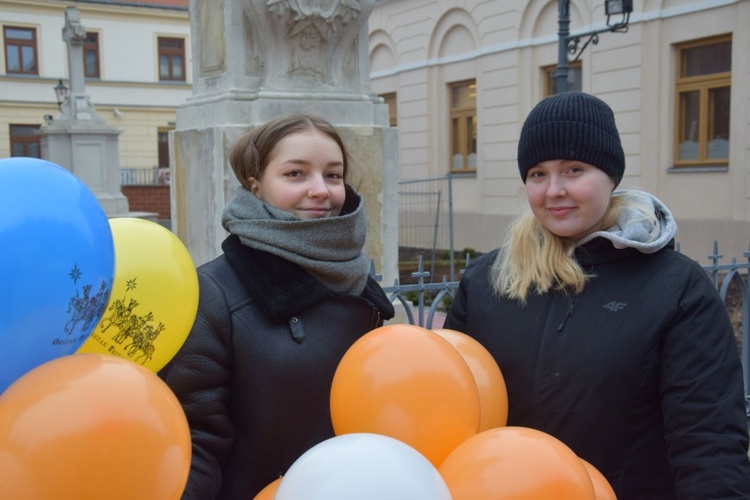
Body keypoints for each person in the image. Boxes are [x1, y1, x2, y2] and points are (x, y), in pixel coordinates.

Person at [444, 91, 750, 499]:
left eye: (574, 169)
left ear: (611, 175)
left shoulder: (676, 289)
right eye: (538, 174)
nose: (554, 190)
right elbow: (452, 414)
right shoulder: (487, 281)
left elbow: (709, 442)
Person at [160, 113, 395, 499]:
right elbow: (194, 443)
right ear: (255, 187)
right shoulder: (214, 293)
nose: (321, 190)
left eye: (333, 175)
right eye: (296, 174)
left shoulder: (354, 279)